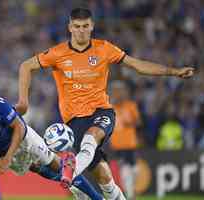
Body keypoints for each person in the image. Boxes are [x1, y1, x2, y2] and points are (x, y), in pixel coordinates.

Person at [16, 7, 194, 200]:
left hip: (101, 111)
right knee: (104, 177)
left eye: (85, 26)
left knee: (92, 135)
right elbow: (26, 66)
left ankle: (71, 168)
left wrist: (173, 71)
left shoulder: (104, 48)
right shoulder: (58, 53)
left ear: (92, 26)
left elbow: (137, 65)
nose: (81, 30)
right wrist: (23, 101)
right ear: (70, 27)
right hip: (74, 121)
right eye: (77, 26)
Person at [110, 81, 141, 200]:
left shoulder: (130, 105)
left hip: (131, 143)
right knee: (125, 169)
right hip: (118, 145)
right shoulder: (109, 107)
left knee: (135, 170)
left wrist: (130, 122)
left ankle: (131, 190)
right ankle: (130, 195)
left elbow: (139, 122)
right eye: (116, 91)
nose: (118, 94)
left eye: (120, 91)